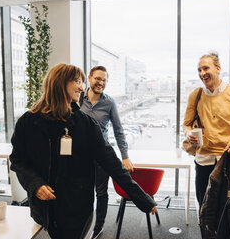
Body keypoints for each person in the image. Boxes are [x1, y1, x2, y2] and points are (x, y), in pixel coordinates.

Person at [9, 63, 156, 239]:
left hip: (76, 208)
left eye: (81, 81)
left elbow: (112, 163)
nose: (81, 87)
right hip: (45, 207)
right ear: (59, 83)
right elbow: (17, 160)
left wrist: (142, 198)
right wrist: (35, 184)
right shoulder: (27, 122)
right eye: (76, 81)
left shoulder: (85, 124)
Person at [183, 52, 230, 218]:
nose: (202, 73)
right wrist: (189, 134)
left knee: (229, 212)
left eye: (205, 68)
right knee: (204, 211)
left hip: (229, 161)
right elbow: (186, 124)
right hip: (203, 162)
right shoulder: (195, 95)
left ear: (218, 68)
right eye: (199, 70)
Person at [80, 65, 134, 239]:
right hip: (80, 156)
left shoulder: (109, 102)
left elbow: (119, 131)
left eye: (104, 80)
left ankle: (99, 227)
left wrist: (125, 157)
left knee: (101, 192)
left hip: (102, 155)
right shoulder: (78, 99)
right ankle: (83, 224)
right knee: (82, 190)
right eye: (98, 78)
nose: (100, 82)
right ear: (89, 78)